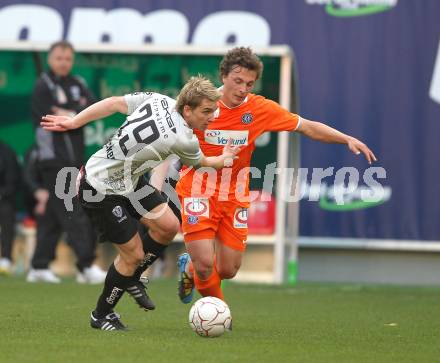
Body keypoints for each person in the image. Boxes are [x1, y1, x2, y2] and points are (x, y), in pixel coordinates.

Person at [175, 47, 377, 303]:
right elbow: (169, 136)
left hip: (234, 194)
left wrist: (345, 138)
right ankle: (218, 312)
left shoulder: (259, 109)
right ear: (223, 76)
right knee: (206, 264)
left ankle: (189, 269)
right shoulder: (202, 104)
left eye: (249, 83)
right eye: (237, 81)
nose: (242, 89)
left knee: (228, 269)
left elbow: (307, 127)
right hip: (197, 189)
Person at [40, 76, 241, 331]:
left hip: (129, 181)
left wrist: (74, 121)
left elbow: (113, 103)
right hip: (99, 186)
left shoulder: (158, 100)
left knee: (168, 226)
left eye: (213, 111)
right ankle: (101, 315)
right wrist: (224, 159)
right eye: (206, 111)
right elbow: (203, 163)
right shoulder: (184, 139)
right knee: (133, 254)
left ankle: (132, 277)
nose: (211, 117)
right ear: (187, 109)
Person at [27, 41, 106, 284]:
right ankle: (85, 266)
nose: (64, 62)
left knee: (54, 212)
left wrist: (70, 111)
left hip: (74, 159)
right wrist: (75, 112)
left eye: (68, 58)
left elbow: (90, 108)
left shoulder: (78, 83)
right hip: (53, 160)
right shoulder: (43, 85)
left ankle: (39, 266)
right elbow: (49, 118)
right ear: (51, 59)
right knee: (73, 210)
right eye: (59, 58)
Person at [0, 141, 21, 275]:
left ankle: (6, 259)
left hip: (4, 198)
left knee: (7, 212)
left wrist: (2, 193)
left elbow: (13, 178)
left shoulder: (6, 151)